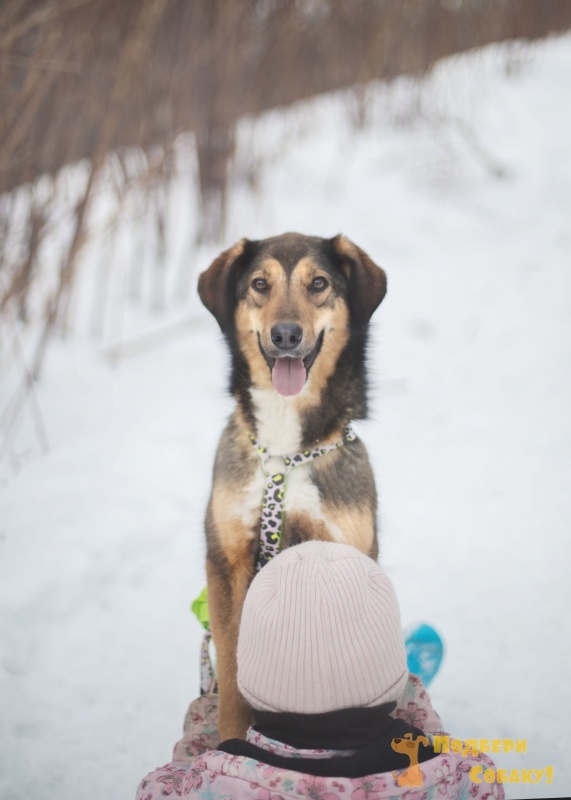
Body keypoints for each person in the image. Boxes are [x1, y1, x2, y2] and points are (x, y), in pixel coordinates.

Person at [136, 542, 504, 799]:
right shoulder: (466, 777)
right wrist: (415, 709)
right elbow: (446, 757)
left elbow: (169, 778)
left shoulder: (201, 785)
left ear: (246, 684)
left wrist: (209, 713)